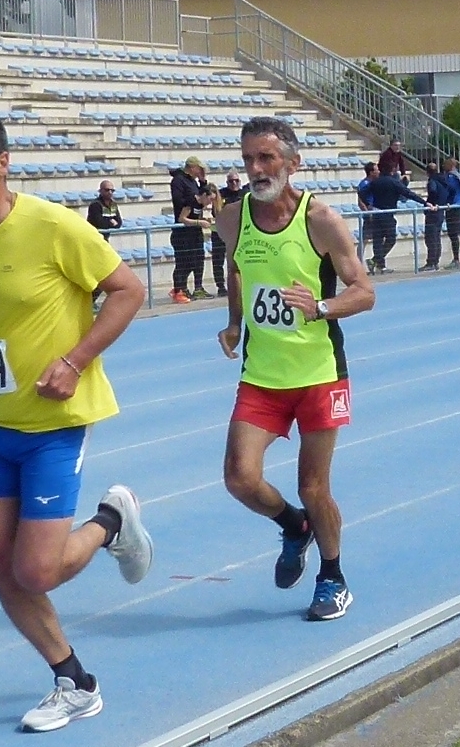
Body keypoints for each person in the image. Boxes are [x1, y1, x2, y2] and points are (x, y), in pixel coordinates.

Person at [0, 109, 151, 734]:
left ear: (1, 163)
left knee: (35, 570)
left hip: (53, 423)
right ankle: (73, 680)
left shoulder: (52, 226)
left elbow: (128, 291)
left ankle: (111, 521)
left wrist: (75, 360)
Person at [215, 116, 375, 621]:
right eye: (248, 159)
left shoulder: (320, 220)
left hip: (319, 374)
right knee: (240, 478)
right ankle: (294, 525)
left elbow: (364, 292)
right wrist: (234, 322)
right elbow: (236, 267)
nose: (255, 169)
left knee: (313, 487)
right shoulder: (232, 218)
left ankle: (333, 576)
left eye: (266, 157)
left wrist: (320, 307)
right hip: (262, 375)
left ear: (293, 162)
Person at [359, 163, 426, 274]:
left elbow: (361, 193)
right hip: (387, 213)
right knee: (391, 238)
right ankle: (377, 261)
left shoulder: (375, 182)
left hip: (376, 212)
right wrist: (424, 202)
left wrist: (368, 204)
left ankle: (379, 264)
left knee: (377, 240)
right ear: (392, 170)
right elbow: (408, 193)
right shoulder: (393, 182)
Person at [168, 155, 208, 303]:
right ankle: (179, 289)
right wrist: (192, 201)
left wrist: (203, 181)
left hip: (194, 226)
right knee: (183, 261)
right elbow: (178, 200)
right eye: (199, 168)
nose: (200, 171)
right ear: (192, 167)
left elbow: (202, 198)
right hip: (183, 228)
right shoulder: (178, 181)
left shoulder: (193, 181)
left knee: (198, 258)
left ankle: (197, 288)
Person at [86, 180, 123, 310]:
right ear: (101, 191)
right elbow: (99, 223)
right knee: (100, 273)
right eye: (107, 190)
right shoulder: (95, 205)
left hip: (104, 242)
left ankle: (90, 301)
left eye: (112, 190)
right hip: (93, 242)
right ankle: (88, 301)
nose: (110, 192)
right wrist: (111, 222)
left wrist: (110, 223)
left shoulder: (113, 205)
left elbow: (119, 223)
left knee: (104, 274)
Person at [212, 171, 247, 297]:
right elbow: (215, 212)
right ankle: (221, 286)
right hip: (221, 232)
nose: (234, 183)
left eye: (236, 181)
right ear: (227, 182)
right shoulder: (221, 194)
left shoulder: (244, 194)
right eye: (231, 181)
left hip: (238, 233)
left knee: (239, 260)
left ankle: (242, 284)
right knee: (218, 260)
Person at [421, 161, 449, 271]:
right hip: (440, 210)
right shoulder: (443, 180)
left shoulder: (432, 181)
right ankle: (435, 261)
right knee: (436, 237)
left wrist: (430, 203)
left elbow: (432, 191)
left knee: (430, 237)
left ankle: (431, 262)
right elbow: (450, 191)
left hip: (433, 211)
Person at [442, 158, 460, 269]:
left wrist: (447, 202)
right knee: (454, 234)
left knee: (453, 234)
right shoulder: (459, 176)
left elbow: (451, 190)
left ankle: (456, 259)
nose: (443, 166)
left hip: (453, 207)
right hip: (459, 205)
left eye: (445, 164)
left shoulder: (451, 177)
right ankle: (456, 258)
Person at [356, 163, 379, 264]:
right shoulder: (364, 184)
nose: (378, 172)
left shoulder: (375, 183)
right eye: (376, 170)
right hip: (369, 215)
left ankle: (376, 260)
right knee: (364, 239)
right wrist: (367, 213)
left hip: (376, 213)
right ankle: (358, 262)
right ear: (371, 172)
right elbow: (360, 201)